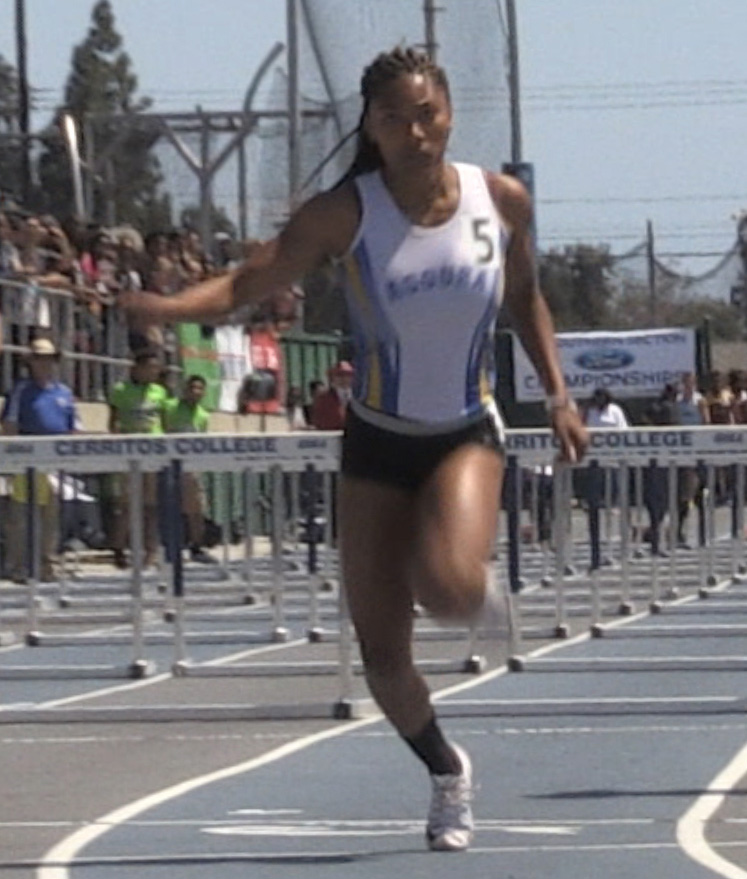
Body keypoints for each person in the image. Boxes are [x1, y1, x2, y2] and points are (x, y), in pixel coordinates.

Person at [121, 46, 587, 853]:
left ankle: (467, 582)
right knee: (380, 655)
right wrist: (166, 308)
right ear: (370, 128)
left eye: (426, 113)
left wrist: (557, 395)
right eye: (393, 118)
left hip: (464, 431)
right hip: (376, 439)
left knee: (445, 587)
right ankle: (446, 771)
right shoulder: (345, 213)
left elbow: (524, 298)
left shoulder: (499, 200)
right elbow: (244, 284)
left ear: (447, 112)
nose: (413, 130)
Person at [1, 337, 80, 581]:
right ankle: (17, 565)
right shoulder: (21, 390)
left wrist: (68, 454)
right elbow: (10, 423)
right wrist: (16, 458)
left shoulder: (64, 392)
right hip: (27, 460)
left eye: (48, 358)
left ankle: (47, 564)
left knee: (51, 516)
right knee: (21, 515)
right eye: (39, 358)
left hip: (54, 462)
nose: (43, 363)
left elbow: (73, 426)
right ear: (31, 362)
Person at [107, 349, 168, 569]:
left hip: (153, 450)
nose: (154, 372)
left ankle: (150, 550)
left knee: (150, 504)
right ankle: (118, 548)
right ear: (137, 368)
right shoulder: (121, 390)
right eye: (150, 367)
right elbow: (113, 422)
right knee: (126, 503)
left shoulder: (160, 392)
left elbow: (164, 421)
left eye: (156, 368)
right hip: (129, 451)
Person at [163, 374, 217, 564]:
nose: (196, 392)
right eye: (192, 388)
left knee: (196, 508)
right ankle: (170, 547)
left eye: (200, 389)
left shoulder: (203, 415)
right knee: (169, 507)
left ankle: (196, 546)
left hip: (192, 467)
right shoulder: (170, 407)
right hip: (169, 464)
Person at [309, 361, 354, 430]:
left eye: (348, 375)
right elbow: (318, 421)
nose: (344, 379)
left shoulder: (360, 399)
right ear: (332, 378)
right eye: (339, 375)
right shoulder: (323, 399)